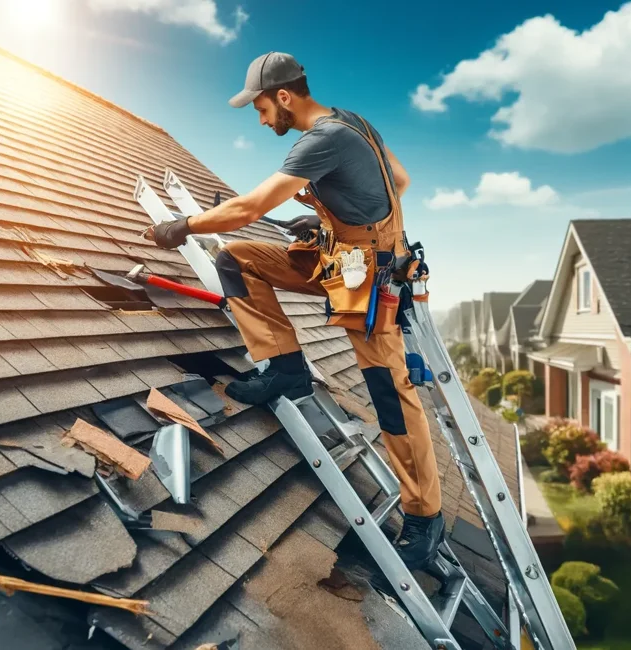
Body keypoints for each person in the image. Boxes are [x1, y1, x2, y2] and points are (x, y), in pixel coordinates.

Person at [145, 52, 444, 571]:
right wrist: (339, 220)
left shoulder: (322, 138)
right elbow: (399, 180)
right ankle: (286, 370)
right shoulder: (355, 122)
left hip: (366, 279)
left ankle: (426, 514)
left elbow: (248, 209)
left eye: (261, 108)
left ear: (284, 97)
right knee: (237, 259)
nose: (261, 120)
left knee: (390, 394)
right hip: (339, 257)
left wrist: (183, 225)